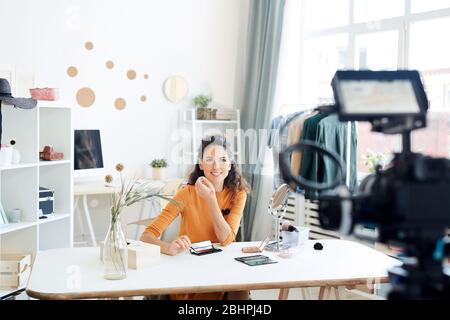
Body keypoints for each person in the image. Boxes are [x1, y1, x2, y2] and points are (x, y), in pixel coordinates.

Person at [140, 135, 250, 300]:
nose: (216, 166)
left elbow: (226, 239)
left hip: (221, 269)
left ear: (230, 164)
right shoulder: (186, 193)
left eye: (222, 159)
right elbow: (146, 236)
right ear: (201, 163)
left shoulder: (238, 194)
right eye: (209, 159)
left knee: (242, 289)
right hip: (190, 271)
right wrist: (169, 248)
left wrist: (211, 199)